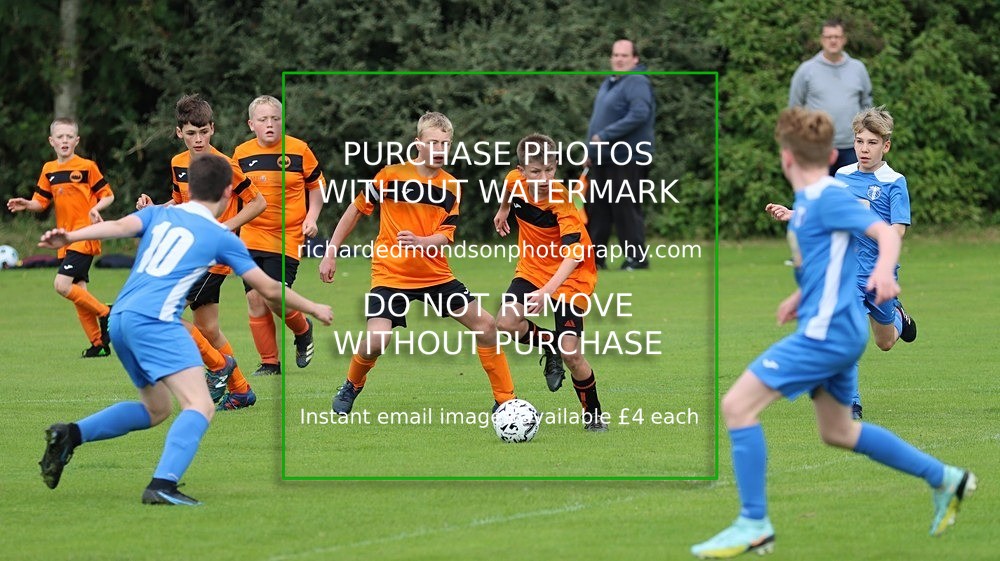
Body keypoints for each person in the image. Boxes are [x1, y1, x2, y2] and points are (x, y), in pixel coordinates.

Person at [690, 108, 975, 558]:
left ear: (786, 158)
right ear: (830, 154)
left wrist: (884, 271)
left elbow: (887, 232)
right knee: (839, 432)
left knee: (736, 406)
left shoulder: (827, 195)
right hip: (835, 325)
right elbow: (829, 253)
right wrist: (801, 297)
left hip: (828, 334)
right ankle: (946, 478)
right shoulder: (814, 199)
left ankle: (753, 523)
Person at [38, 154, 333, 505]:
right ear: (228, 191)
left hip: (120, 319)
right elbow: (269, 288)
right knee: (200, 404)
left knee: (156, 409)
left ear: (188, 188)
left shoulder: (157, 214)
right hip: (156, 321)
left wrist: (70, 235)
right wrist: (314, 307)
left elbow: (117, 227)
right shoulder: (220, 236)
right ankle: (162, 485)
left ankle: (70, 435)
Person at [319, 112, 516, 413]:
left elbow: (446, 236)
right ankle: (352, 384)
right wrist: (331, 250)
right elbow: (356, 210)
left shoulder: (451, 186)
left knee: (486, 325)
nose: (439, 149)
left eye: (446, 144)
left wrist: (422, 243)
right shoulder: (390, 176)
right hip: (391, 274)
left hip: (435, 276)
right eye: (433, 142)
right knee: (377, 340)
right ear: (418, 144)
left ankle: (505, 400)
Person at [764, 106, 916, 420]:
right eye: (860, 141)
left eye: (872, 143)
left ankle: (898, 316)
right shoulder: (843, 176)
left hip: (878, 274)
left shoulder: (894, 182)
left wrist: (864, 219)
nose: (864, 149)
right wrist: (794, 215)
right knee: (848, 336)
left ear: (885, 146)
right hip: (846, 273)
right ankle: (851, 404)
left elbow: (896, 233)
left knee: (885, 342)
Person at [137, 94, 268, 410]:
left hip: (212, 257)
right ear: (179, 132)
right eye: (191, 133)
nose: (198, 139)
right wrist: (156, 208)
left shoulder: (225, 166)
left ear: (212, 129)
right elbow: (181, 203)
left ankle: (218, 367)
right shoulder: (177, 164)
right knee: (208, 329)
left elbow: (258, 202)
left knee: (161, 312)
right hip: (189, 254)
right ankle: (240, 390)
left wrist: (227, 226)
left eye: (204, 132)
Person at [493, 133, 606, 431]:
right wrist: (504, 209)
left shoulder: (560, 199)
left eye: (550, 170)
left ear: (556, 166)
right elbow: (507, 187)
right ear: (521, 170)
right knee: (505, 322)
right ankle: (549, 344)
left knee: (572, 352)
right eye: (535, 171)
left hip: (572, 276)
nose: (544, 178)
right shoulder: (513, 181)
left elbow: (573, 254)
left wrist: (547, 291)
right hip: (532, 269)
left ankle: (593, 414)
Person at [7, 118, 114, 357]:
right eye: (60, 137)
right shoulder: (49, 169)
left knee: (61, 285)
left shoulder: (87, 167)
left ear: (76, 141)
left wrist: (97, 209)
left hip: (84, 236)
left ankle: (107, 313)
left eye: (69, 137)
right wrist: (26, 204)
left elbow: (107, 195)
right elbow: (40, 202)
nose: (64, 141)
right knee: (79, 293)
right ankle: (98, 343)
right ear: (52, 141)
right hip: (63, 241)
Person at [234, 95, 323, 376]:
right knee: (254, 299)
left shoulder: (299, 150)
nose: (270, 124)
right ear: (252, 124)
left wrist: (312, 217)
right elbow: (234, 196)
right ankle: (269, 363)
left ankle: (303, 329)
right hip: (250, 236)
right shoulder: (241, 154)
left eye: (275, 118)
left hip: (286, 237)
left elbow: (317, 187)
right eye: (263, 120)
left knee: (274, 296)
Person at [584, 38, 655, 271]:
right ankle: (595, 259)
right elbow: (598, 121)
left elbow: (640, 113)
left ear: (635, 59)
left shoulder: (636, 81)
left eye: (624, 55)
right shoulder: (611, 82)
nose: (619, 59)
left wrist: (605, 135)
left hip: (628, 156)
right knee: (598, 208)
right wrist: (591, 150)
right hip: (603, 157)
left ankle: (636, 259)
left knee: (625, 207)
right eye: (616, 55)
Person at [788, 17, 873, 175]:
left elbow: (867, 105)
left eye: (837, 37)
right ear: (822, 40)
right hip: (818, 146)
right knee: (818, 195)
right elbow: (795, 109)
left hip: (852, 147)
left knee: (851, 196)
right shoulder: (806, 70)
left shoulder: (858, 69)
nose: (833, 41)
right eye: (829, 37)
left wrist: (864, 138)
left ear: (844, 39)